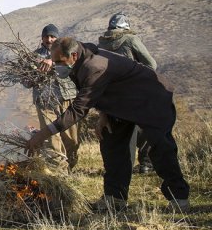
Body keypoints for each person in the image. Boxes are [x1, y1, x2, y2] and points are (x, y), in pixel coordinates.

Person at [27, 37, 190, 213]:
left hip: (150, 99)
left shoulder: (93, 66)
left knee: (160, 147)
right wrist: (104, 114)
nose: (56, 65)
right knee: (111, 142)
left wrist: (42, 135)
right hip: (122, 103)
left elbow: (77, 110)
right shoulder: (78, 61)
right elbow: (100, 90)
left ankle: (179, 198)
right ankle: (115, 198)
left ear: (73, 55)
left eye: (59, 61)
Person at [98, 13, 156, 174]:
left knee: (119, 133)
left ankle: (120, 169)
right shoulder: (131, 40)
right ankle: (145, 164)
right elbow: (151, 64)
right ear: (126, 27)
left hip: (111, 98)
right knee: (145, 128)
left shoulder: (101, 45)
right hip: (133, 95)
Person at [25, 24, 80, 171]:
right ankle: (59, 171)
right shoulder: (33, 57)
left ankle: (71, 166)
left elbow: (74, 67)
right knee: (52, 137)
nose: (49, 39)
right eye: (46, 36)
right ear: (42, 38)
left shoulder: (66, 52)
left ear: (57, 37)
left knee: (72, 139)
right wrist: (35, 75)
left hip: (67, 98)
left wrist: (53, 62)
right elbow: (26, 82)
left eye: (52, 36)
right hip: (45, 101)